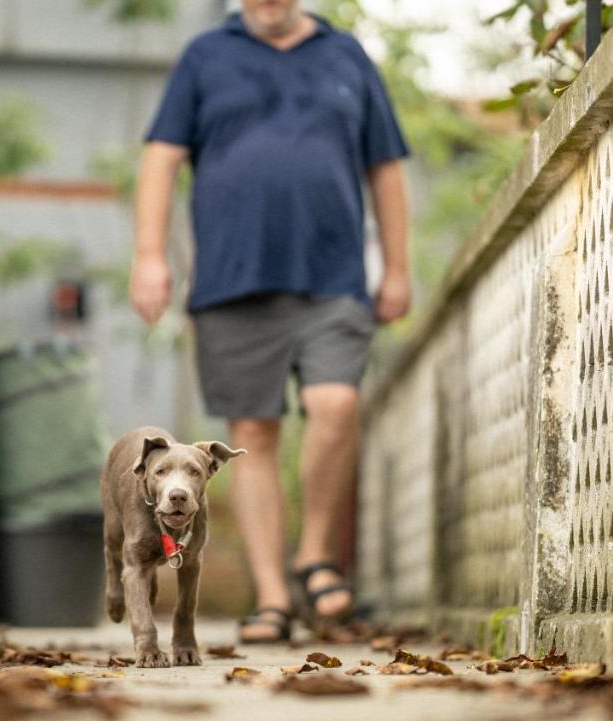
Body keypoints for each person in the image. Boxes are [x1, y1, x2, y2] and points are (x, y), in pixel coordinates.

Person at [130, 0, 412, 642]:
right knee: (252, 433)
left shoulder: (347, 56)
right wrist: (150, 256)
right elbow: (161, 158)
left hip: (333, 279)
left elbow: (386, 169)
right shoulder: (207, 57)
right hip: (232, 282)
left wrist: (396, 268)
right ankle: (273, 598)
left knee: (336, 404)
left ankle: (314, 555)